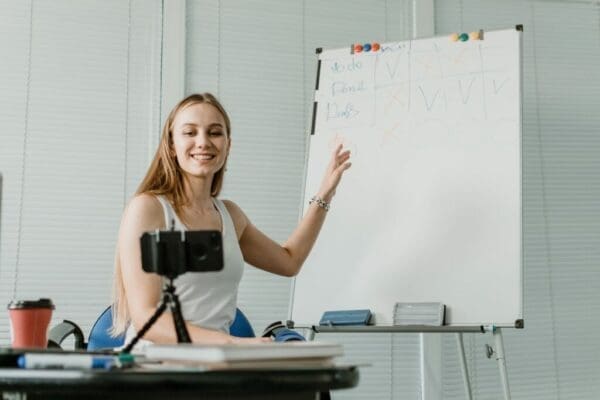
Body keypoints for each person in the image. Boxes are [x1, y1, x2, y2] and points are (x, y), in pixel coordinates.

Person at [111, 93, 351, 345]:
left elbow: (289, 262)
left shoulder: (230, 215)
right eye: (190, 133)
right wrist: (232, 343)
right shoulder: (149, 209)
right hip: (153, 369)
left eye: (214, 133)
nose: (203, 142)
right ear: (171, 145)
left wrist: (325, 192)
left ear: (228, 144)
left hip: (212, 367)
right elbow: (146, 318)